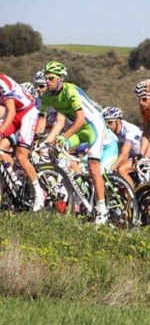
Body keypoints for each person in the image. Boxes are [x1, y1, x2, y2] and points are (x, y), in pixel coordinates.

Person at [38, 62, 109, 222]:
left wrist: (65, 136)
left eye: (51, 78)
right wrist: (38, 140)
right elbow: (41, 120)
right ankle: (77, 186)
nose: (47, 81)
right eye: (46, 78)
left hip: (93, 127)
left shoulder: (70, 91)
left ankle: (102, 210)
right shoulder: (47, 96)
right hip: (79, 130)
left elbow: (80, 119)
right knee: (54, 150)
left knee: (93, 166)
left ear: (61, 79)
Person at [0, 73, 43, 210]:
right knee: (1, 148)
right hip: (13, 116)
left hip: (26, 114)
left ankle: (39, 193)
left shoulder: (2, 82)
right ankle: (14, 181)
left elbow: (11, 111)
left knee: (21, 156)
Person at [102, 106, 147, 187]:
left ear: (118, 121)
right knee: (118, 176)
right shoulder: (113, 132)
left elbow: (124, 154)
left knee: (122, 170)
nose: (107, 126)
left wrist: (111, 169)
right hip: (132, 157)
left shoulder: (129, 129)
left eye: (110, 122)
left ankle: (132, 198)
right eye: (106, 123)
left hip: (145, 155)